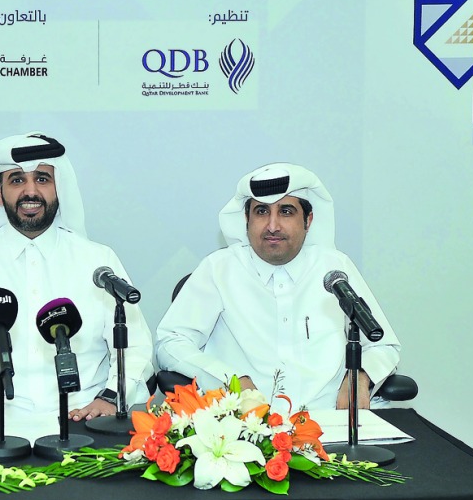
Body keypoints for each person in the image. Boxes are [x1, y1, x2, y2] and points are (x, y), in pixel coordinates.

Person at [0, 132, 154, 441]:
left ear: (58, 188)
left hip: (81, 417)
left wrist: (110, 396)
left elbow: (134, 345)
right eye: (16, 180)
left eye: (42, 179)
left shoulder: (97, 260)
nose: (31, 191)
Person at [155, 163, 400, 410]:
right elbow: (170, 343)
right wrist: (231, 380)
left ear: (308, 220)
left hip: (332, 421)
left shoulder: (334, 268)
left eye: (285, 211)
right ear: (246, 220)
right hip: (246, 430)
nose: (273, 226)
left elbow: (382, 344)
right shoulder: (219, 269)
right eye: (261, 211)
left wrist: (359, 376)